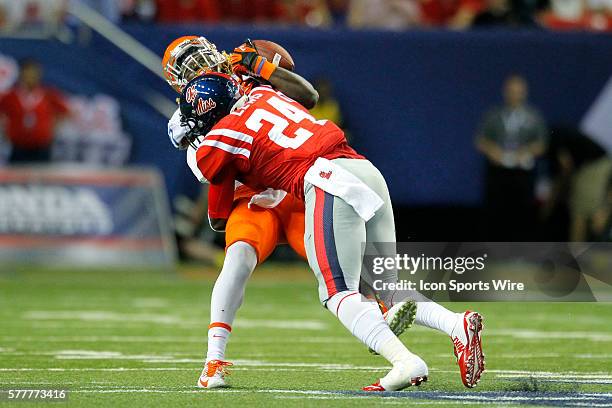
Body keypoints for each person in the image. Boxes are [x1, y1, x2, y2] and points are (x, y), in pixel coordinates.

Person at [176, 68, 485, 390]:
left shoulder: (222, 134)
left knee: (338, 292)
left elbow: (210, 195)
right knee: (385, 286)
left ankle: (405, 361)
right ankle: (455, 325)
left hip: (327, 181)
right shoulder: (265, 94)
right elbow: (302, 98)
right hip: (365, 169)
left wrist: (187, 140)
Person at [162, 36, 418, 389]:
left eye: (197, 57)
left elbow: (308, 97)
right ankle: (213, 361)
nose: (197, 66)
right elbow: (211, 170)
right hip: (254, 194)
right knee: (238, 261)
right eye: (186, 66)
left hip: (300, 184)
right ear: (179, 81)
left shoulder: (245, 70)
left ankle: (431, 325)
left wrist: (260, 67)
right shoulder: (190, 113)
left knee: (348, 278)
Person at [476, 74, 548, 240]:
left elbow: (542, 143)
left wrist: (526, 151)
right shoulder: (494, 115)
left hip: (522, 173)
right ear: (505, 92)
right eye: (511, 91)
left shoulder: (533, 117)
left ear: (524, 93)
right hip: (498, 171)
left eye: (518, 91)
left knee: (522, 212)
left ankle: (520, 251)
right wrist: (493, 151)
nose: (514, 95)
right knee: (496, 211)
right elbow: (481, 140)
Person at [0, 58, 69, 163]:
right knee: (17, 177)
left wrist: (53, 128)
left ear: (39, 75)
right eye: (27, 73)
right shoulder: (11, 96)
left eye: (33, 73)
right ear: (21, 74)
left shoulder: (48, 94)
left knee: (42, 176)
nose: (30, 77)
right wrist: (5, 130)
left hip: (42, 147)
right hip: (18, 146)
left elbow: (65, 112)